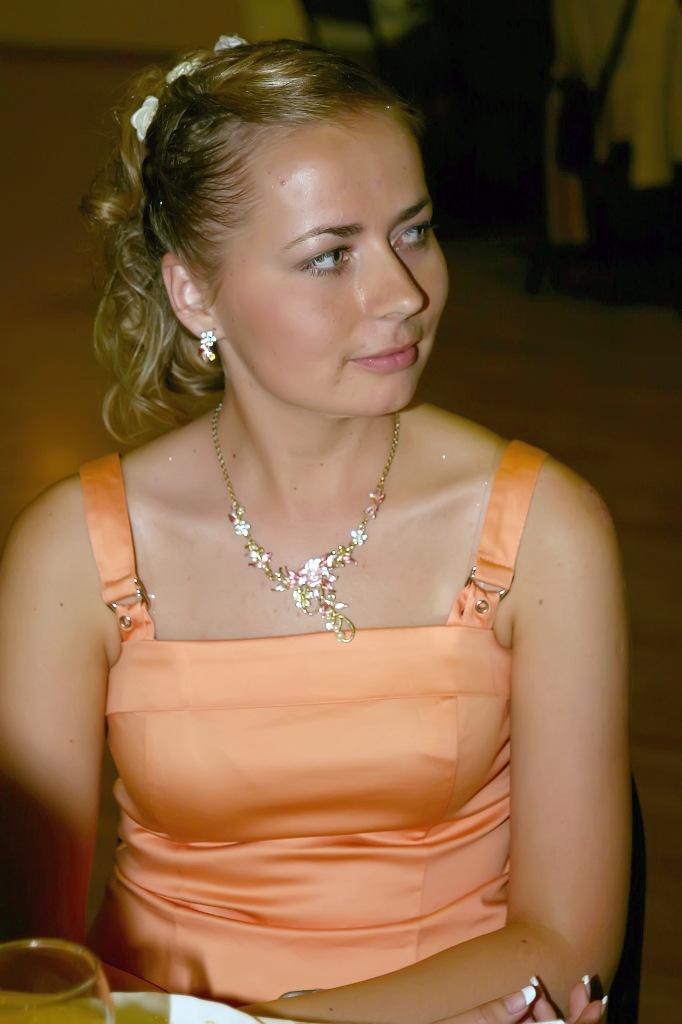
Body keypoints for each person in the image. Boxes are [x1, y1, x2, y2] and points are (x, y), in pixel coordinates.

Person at [0, 34, 629, 1024]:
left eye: (414, 233)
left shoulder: (543, 529)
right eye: (331, 255)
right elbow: (29, 966)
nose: (404, 295)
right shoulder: (72, 555)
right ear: (194, 292)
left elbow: (566, 942)